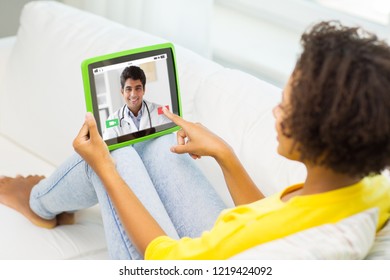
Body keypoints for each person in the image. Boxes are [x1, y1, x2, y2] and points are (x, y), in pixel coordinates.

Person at [1, 21, 390, 260]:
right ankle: (52, 197)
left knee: (115, 157)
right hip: (222, 245)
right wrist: (225, 154)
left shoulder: (278, 250)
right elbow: (279, 218)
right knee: (157, 143)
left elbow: (165, 260)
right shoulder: (371, 188)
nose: (275, 110)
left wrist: (105, 169)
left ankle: (38, 202)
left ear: (320, 139)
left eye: (286, 108)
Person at [103, 65, 170, 140]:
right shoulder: (112, 120)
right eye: (128, 89)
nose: (133, 95)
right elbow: (107, 148)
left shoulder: (161, 111)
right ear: (122, 92)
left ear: (144, 90)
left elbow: (169, 139)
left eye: (138, 88)